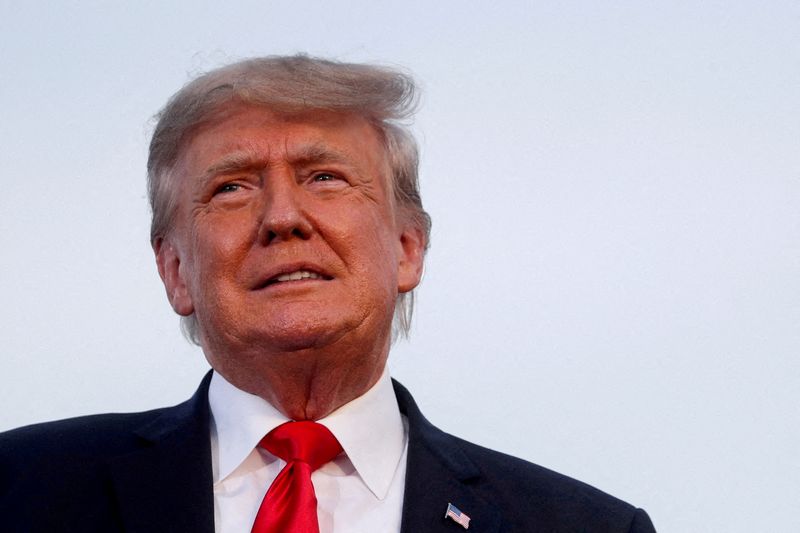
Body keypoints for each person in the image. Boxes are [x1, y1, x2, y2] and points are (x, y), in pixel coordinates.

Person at [0, 55, 656, 532]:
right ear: (175, 271)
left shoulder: (583, 526)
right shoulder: (20, 488)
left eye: (325, 177)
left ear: (407, 248)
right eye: (232, 186)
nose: (283, 217)